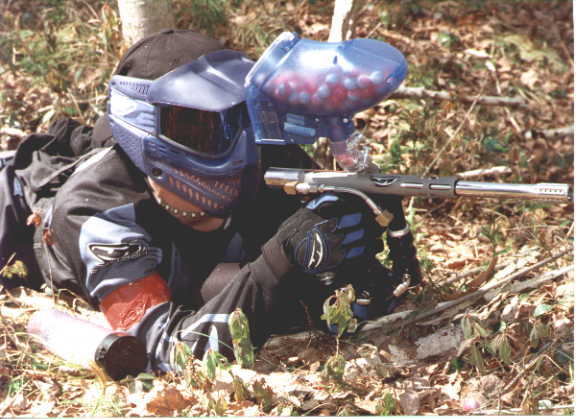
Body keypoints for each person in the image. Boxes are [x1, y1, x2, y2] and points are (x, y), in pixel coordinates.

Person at [0, 29, 421, 374]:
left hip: (188, 270)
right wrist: (280, 261)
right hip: (18, 206)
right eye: (197, 126)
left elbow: (353, 294)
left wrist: (349, 239)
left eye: (240, 115)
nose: (235, 144)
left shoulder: (263, 158)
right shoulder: (98, 208)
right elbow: (168, 352)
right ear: (146, 129)